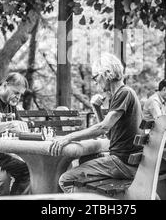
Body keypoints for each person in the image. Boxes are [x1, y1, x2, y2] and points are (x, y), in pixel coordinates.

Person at [54, 53, 143, 193]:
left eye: (95, 77)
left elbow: (103, 127)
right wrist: (96, 109)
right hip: (126, 162)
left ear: (107, 73)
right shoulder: (121, 94)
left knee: (66, 179)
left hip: (123, 164)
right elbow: (110, 135)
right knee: (84, 159)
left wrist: (69, 137)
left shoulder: (124, 93)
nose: (95, 82)